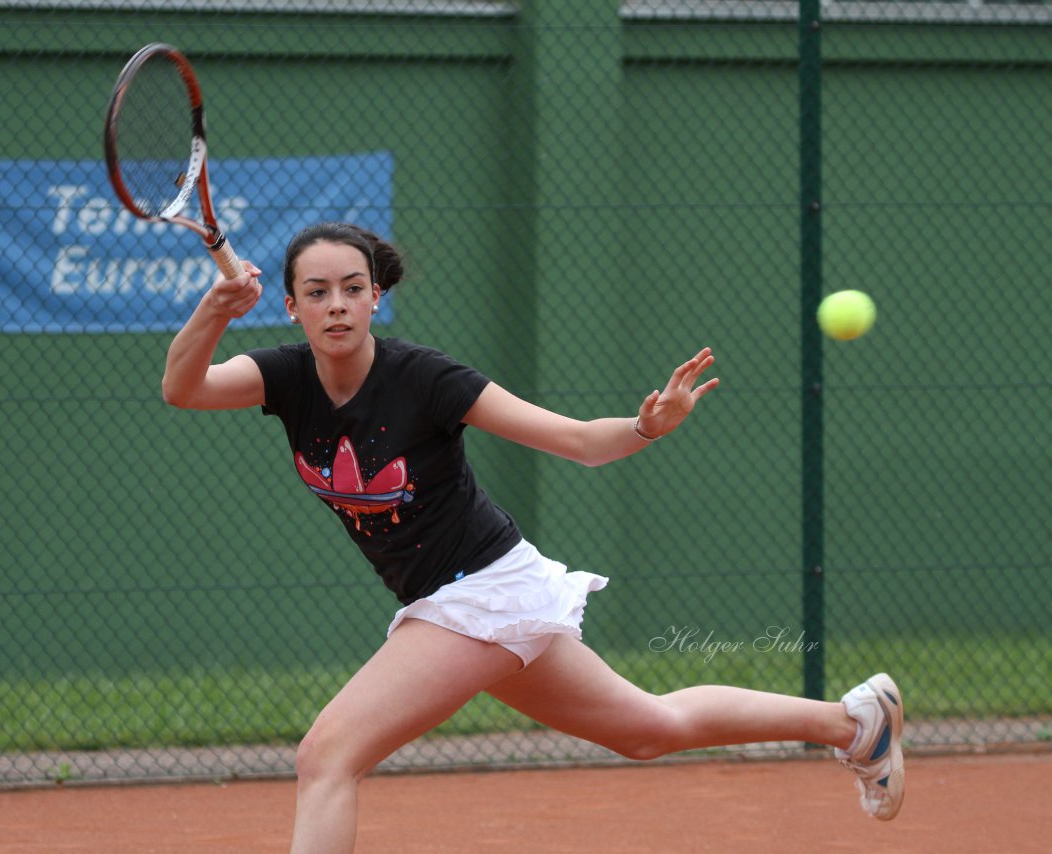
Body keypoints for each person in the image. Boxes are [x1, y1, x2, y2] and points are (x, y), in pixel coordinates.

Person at [161, 222, 905, 852]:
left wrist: (646, 425)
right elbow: (183, 389)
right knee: (648, 727)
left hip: (480, 590)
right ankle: (854, 723)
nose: (337, 305)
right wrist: (216, 310)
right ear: (290, 306)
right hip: (463, 601)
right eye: (317, 292)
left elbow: (578, 441)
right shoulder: (285, 379)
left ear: (375, 296)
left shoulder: (426, 378)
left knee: (327, 755)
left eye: (352, 288)